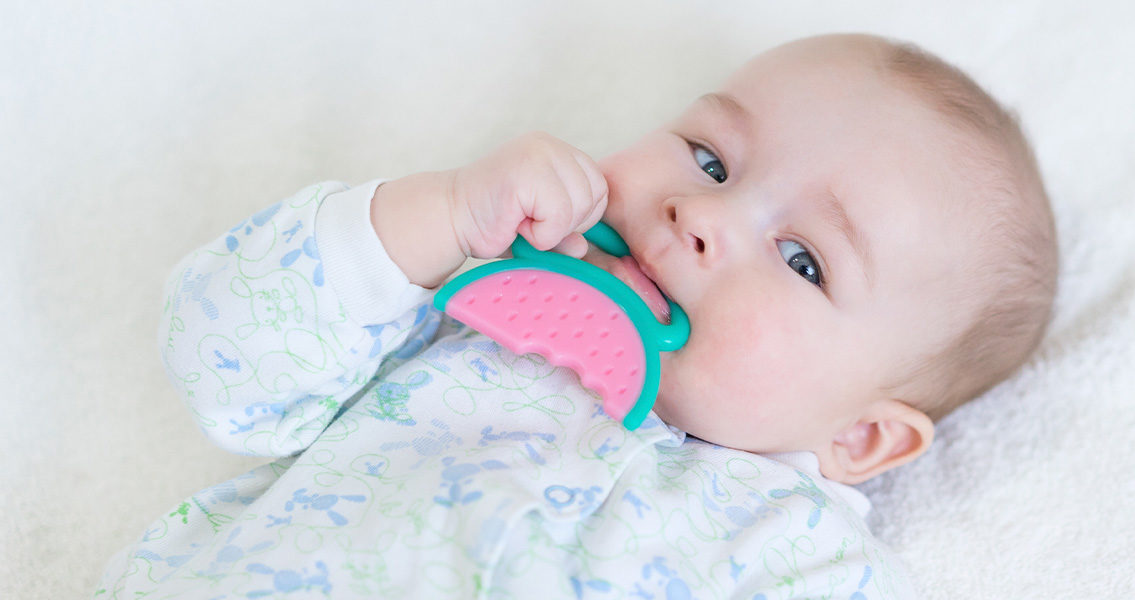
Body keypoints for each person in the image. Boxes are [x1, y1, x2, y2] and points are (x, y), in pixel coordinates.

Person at [94, 33, 1057, 598]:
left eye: (804, 259)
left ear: (862, 436)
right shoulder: (476, 305)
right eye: (711, 159)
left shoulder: (797, 555)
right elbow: (223, 361)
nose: (703, 216)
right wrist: (435, 218)